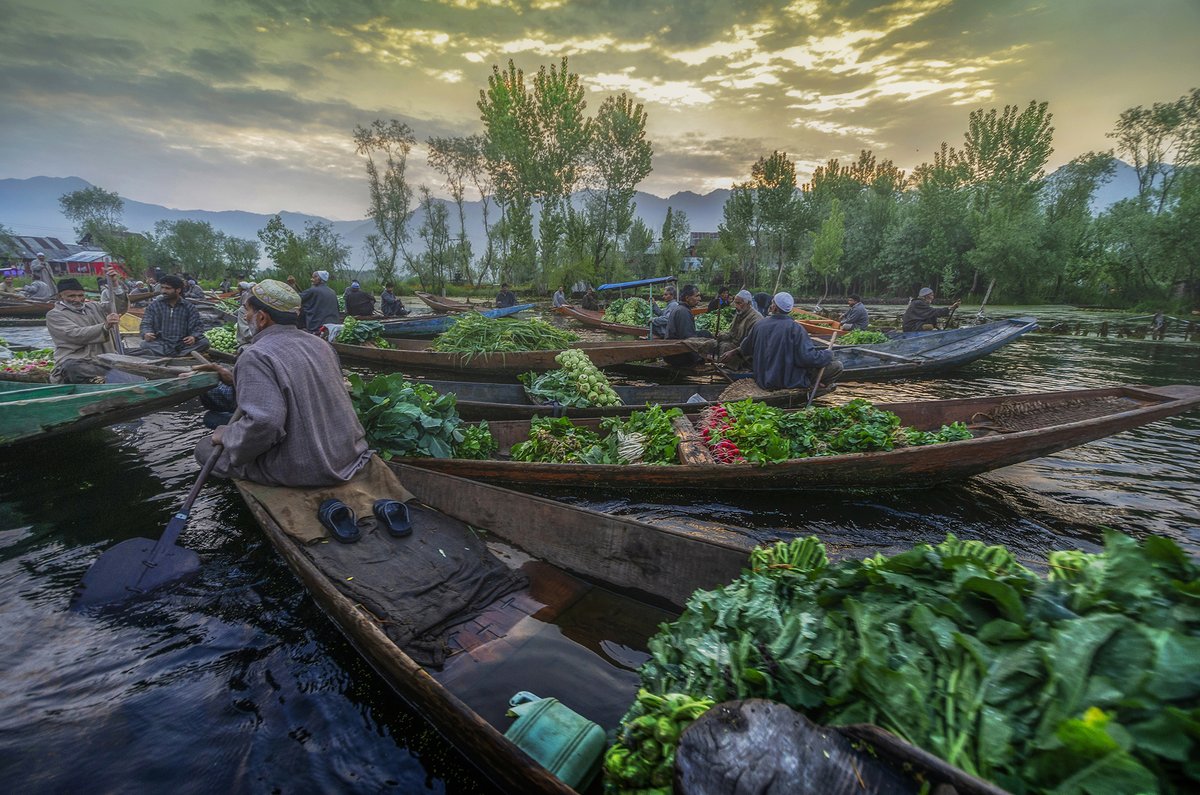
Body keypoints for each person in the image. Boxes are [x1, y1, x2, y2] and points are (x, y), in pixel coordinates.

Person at [193, 279, 372, 487]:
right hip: (350, 453)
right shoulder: (321, 344)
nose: (246, 317)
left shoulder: (256, 355)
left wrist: (227, 436)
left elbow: (266, 423)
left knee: (204, 448)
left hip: (311, 467)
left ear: (261, 318)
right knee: (216, 419)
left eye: (247, 311)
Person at [735, 291, 843, 391]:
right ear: (789, 310)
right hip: (787, 381)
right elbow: (807, 358)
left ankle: (814, 383)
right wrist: (828, 354)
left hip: (761, 378)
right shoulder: (796, 328)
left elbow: (745, 348)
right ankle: (813, 384)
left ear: (774, 308)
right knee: (837, 366)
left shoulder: (759, 324)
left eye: (772, 303)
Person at [44, 277, 120, 384]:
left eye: (80, 295)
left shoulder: (94, 306)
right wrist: (105, 326)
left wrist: (115, 286)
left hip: (106, 358)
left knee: (146, 352)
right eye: (71, 296)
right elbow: (74, 334)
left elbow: (118, 307)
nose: (77, 299)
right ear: (60, 296)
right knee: (72, 368)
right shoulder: (55, 314)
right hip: (80, 360)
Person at [137, 274, 210, 356]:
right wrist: (146, 333)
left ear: (178, 290)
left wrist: (193, 337)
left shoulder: (189, 307)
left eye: (167, 288)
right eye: (162, 287)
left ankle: (172, 354)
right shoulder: (154, 305)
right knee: (144, 344)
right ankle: (179, 355)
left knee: (204, 343)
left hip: (182, 344)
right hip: (161, 343)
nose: (163, 291)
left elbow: (198, 326)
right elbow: (145, 323)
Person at [662, 284, 710, 367]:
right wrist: (699, 358)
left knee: (704, 333)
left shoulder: (681, 309)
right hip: (676, 354)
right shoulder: (683, 312)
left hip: (674, 350)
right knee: (706, 335)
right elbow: (688, 338)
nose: (700, 299)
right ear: (687, 298)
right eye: (697, 296)